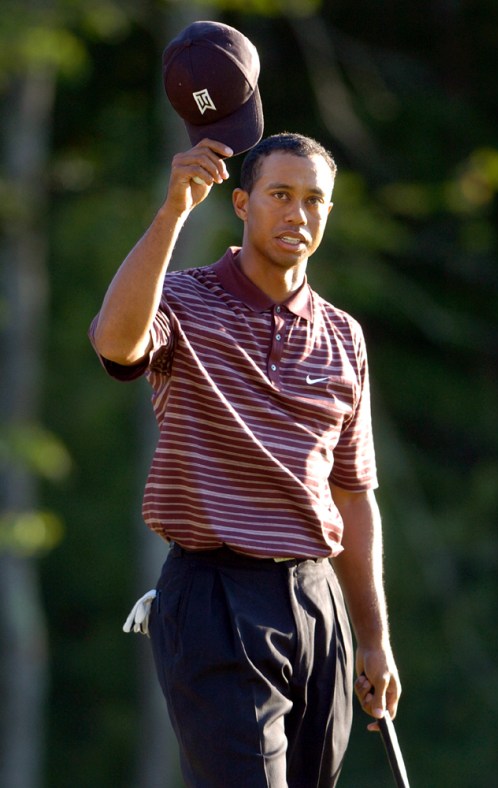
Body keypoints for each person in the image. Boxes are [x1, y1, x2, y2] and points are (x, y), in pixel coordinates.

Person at [90, 132, 401, 787]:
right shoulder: (182, 298)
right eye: (279, 195)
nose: (297, 214)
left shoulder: (344, 336)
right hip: (216, 595)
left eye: (314, 200)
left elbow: (353, 494)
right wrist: (174, 209)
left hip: (318, 603)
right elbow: (116, 343)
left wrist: (373, 640)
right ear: (241, 203)